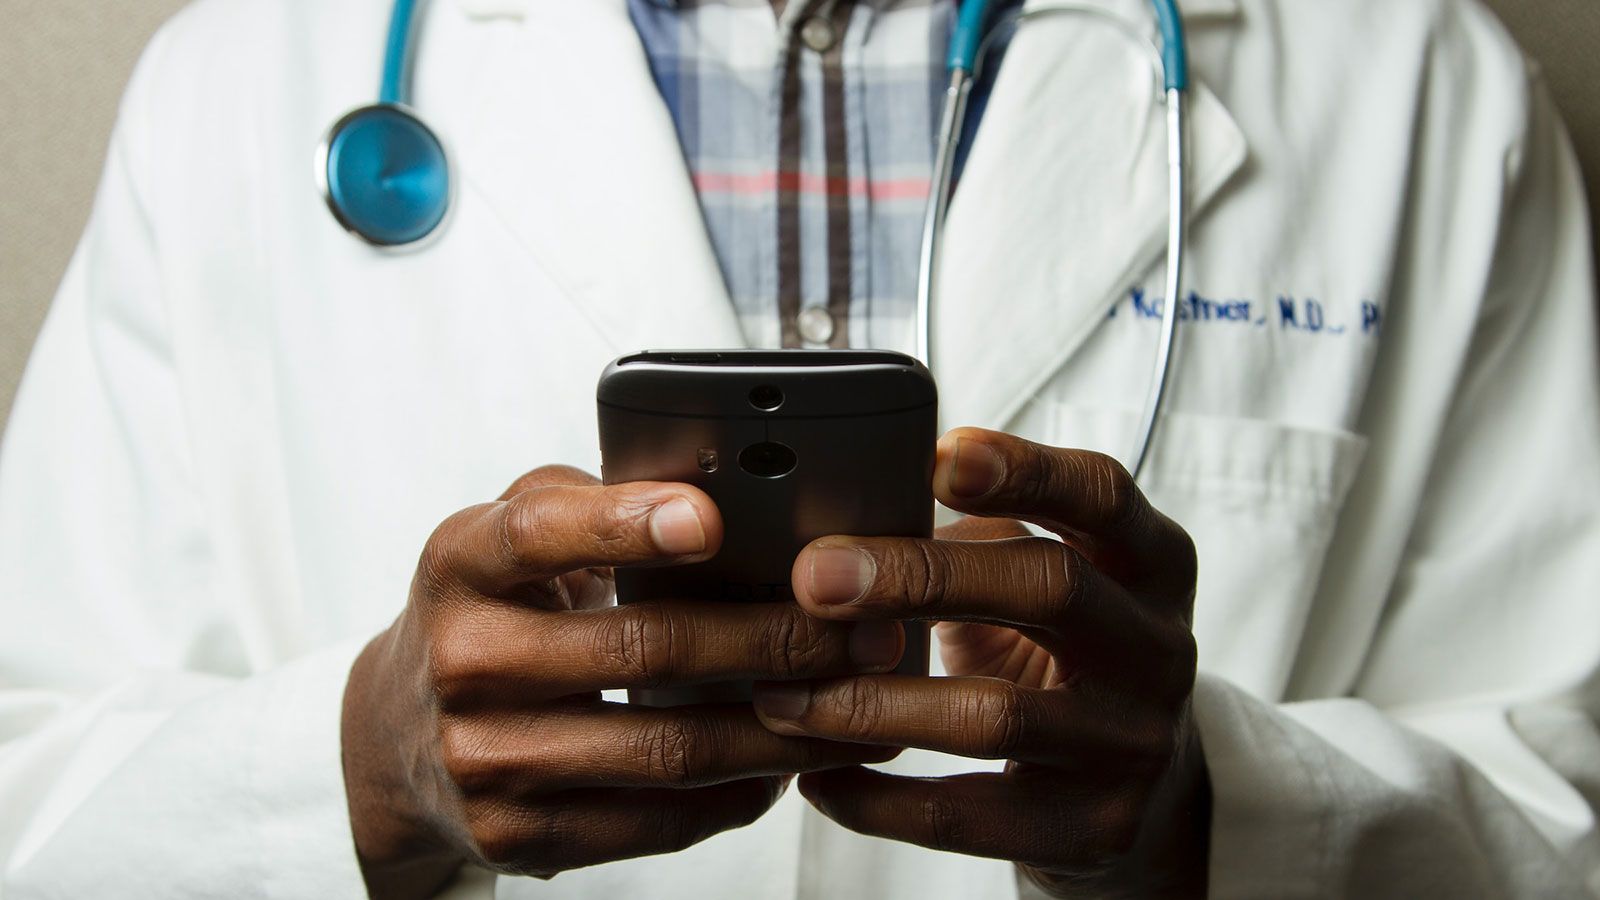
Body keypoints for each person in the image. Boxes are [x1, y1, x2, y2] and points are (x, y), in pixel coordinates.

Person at [1, 0, 1597, 896]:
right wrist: (360, 768)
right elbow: (33, 806)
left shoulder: (1423, 84)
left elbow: (1564, 803)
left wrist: (1213, 818)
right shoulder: (240, 83)